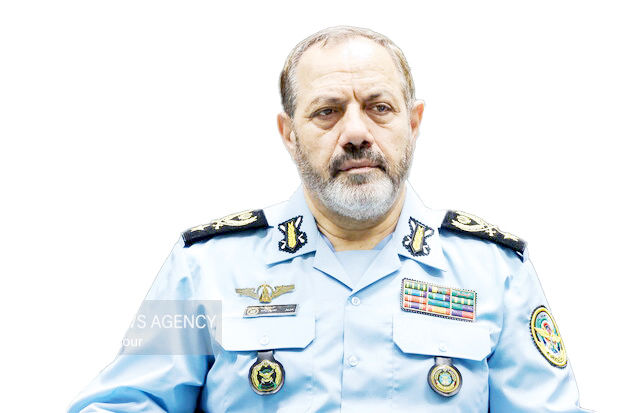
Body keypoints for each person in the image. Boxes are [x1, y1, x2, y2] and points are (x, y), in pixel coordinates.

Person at [68, 25, 587, 412]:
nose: (356, 133)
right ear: (289, 133)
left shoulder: (497, 272)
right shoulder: (201, 267)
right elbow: (122, 404)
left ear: (413, 123)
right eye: (327, 111)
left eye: (379, 108)